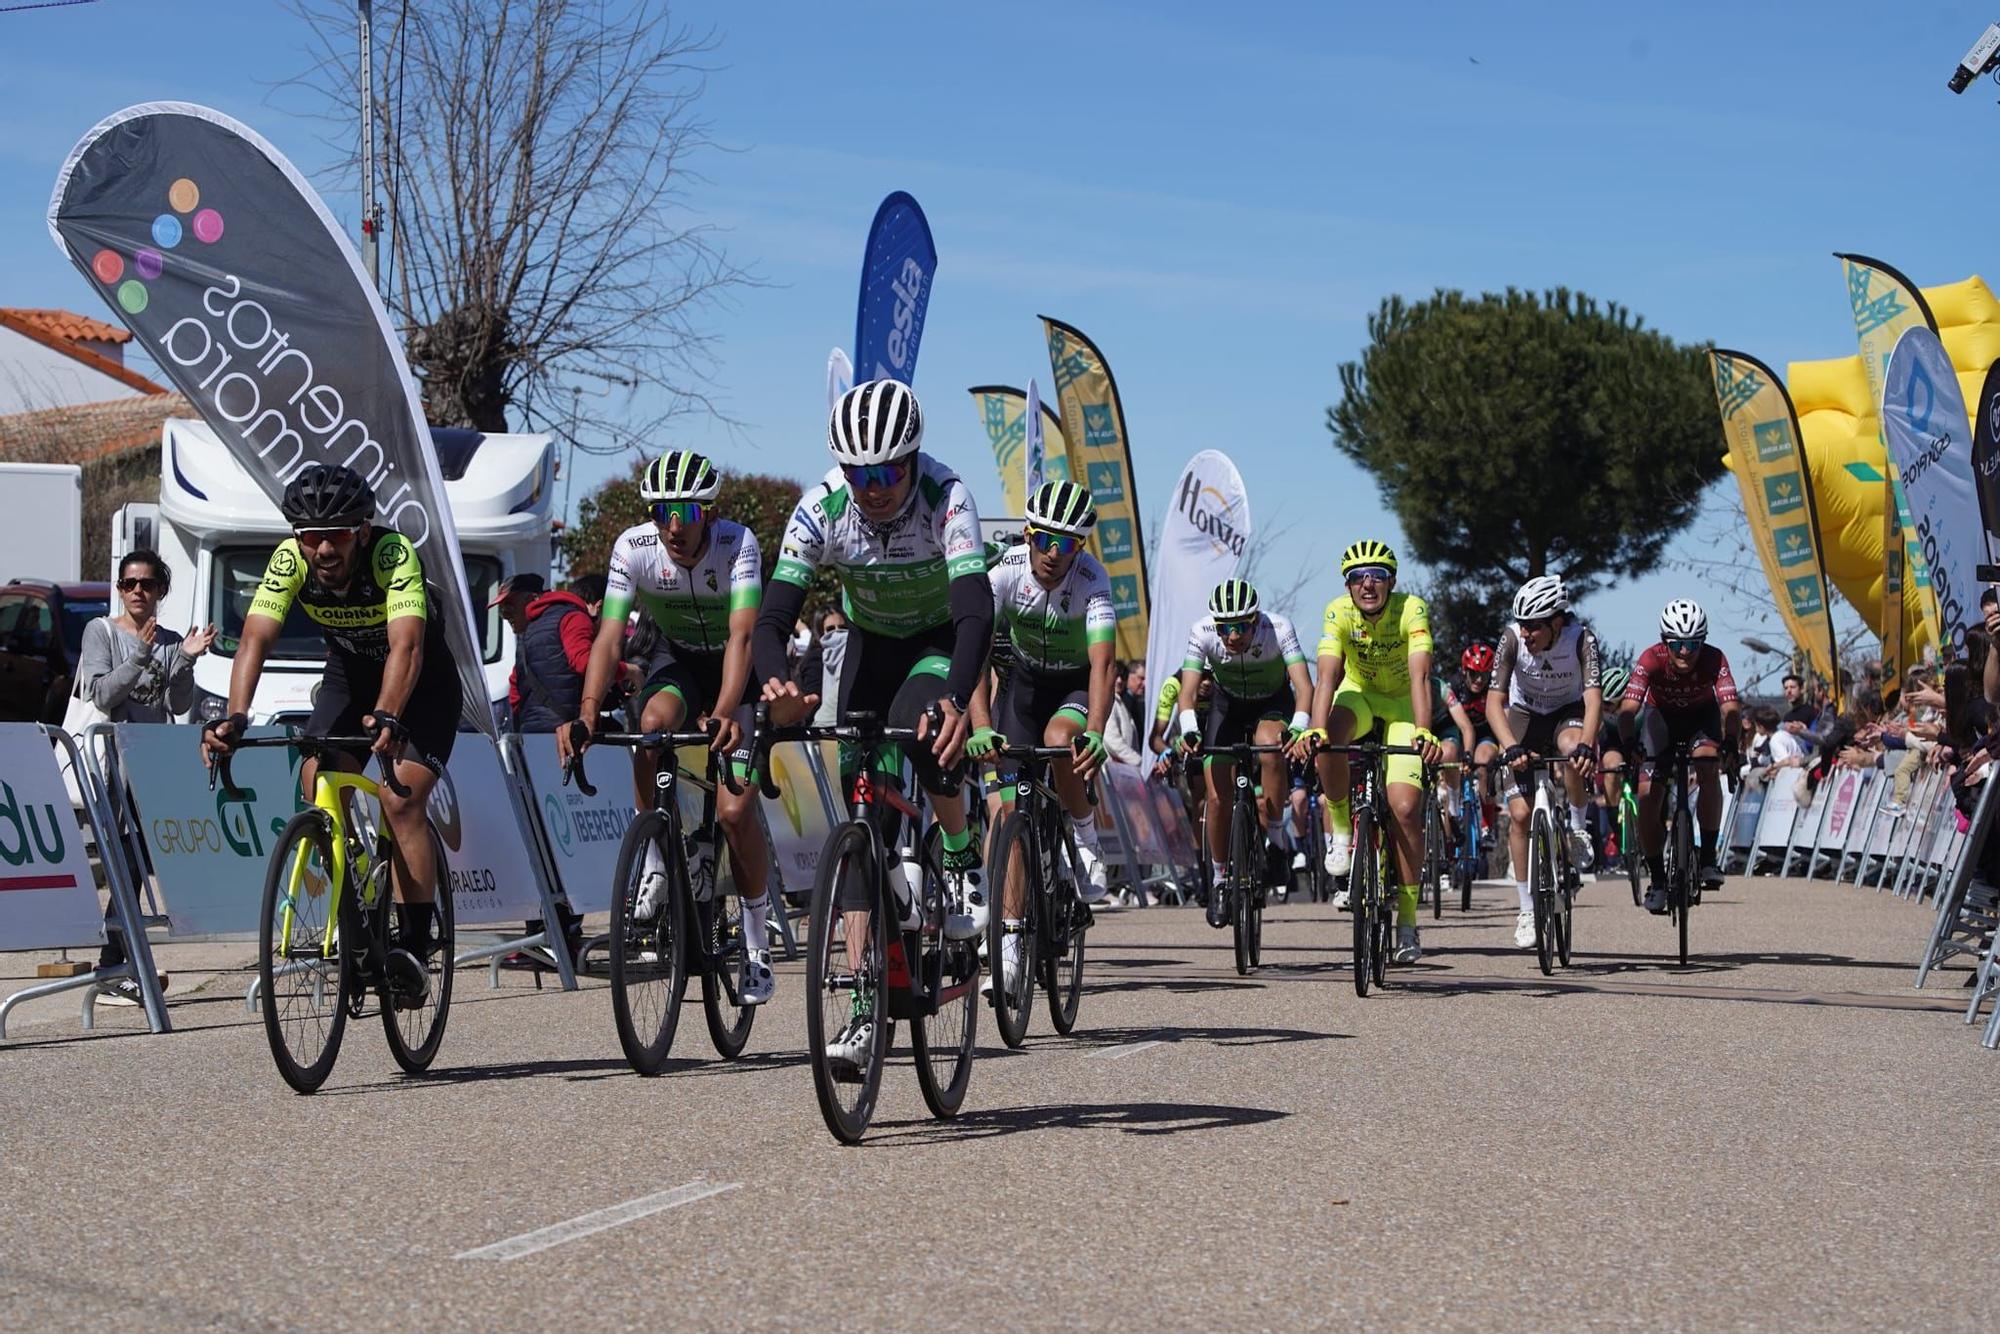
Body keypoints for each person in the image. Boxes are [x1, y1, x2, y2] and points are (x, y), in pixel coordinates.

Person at [753, 379, 994, 1071]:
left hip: (937, 642)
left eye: (888, 471)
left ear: (914, 459)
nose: (874, 487)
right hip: (869, 645)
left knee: (922, 728)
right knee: (858, 828)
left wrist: (954, 697)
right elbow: (773, 618)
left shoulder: (949, 498)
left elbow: (976, 610)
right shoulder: (822, 507)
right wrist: (775, 684)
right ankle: (865, 1007)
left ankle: (957, 845)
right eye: (860, 473)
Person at [201, 463, 462, 1007]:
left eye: (336, 535)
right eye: (310, 536)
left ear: (362, 530)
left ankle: (413, 947)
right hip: (349, 675)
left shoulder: (392, 555)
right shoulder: (289, 558)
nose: (322, 549)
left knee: (400, 799)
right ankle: (358, 901)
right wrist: (237, 714)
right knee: (315, 776)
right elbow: (254, 637)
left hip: (420, 683)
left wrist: (390, 714)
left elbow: (408, 647)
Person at [558, 449, 775, 1005]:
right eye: (661, 511)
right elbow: (607, 637)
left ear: (710, 510)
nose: (674, 525)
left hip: (735, 669)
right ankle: (655, 859)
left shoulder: (737, 543)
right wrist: (587, 709)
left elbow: (745, 637)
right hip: (678, 663)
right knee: (650, 727)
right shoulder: (634, 547)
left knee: (732, 811)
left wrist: (727, 708)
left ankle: (755, 942)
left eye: (687, 510)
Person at [966, 480, 1118, 993]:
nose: (1054, 554)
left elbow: (1103, 664)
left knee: (1060, 739)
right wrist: (982, 725)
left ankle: (1083, 830)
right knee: (1007, 812)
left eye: (1068, 544)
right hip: (1024, 687)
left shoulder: (1094, 582)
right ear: (1026, 535)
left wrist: (1096, 730)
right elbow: (976, 657)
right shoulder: (1003, 575)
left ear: (1082, 548)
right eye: (1044, 539)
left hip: (1072, 685)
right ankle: (1007, 946)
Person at [1293, 540, 1441, 963]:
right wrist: (1316, 729)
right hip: (1360, 695)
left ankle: (1408, 921)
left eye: (1377, 574)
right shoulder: (1337, 611)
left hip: (1402, 705)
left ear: (1391, 581)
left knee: (1405, 809)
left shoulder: (1411, 608)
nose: (1368, 583)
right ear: (1348, 585)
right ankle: (1341, 829)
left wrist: (1425, 731)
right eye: (1358, 577)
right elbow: (1326, 677)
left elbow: (1421, 675)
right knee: (1330, 736)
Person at [80, 550, 216, 1003]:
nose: (137, 590)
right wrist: (140, 651)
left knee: (136, 869)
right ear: (119, 589)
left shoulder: (172, 640)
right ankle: (112, 966)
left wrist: (187, 659)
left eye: (147, 583)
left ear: (161, 590)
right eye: (129, 583)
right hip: (113, 771)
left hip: (153, 773)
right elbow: (102, 692)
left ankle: (118, 964)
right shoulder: (100, 632)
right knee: (123, 866)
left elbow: (177, 704)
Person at [1178, 578, 1313, 927]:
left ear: (1256, 620)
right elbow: (1188, 691)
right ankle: (1220, 879)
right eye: (1226, 628)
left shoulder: (1279, 627)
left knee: (1271, 749)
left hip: (1271, 702)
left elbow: (1304, 684)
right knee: (1217, 796)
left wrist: (1298, 726)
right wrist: (1189, 729)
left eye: (1242, 626)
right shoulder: (1202, 631)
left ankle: (1276, 840)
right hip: (1228, 706)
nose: (1233, 635)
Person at [1486, 575, 1603, 949]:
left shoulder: (1581, 639)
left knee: (1572, 749)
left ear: (1556, 622)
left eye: (1534, 625)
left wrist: (1586, 744)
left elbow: (1593, 697)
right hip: (1524, 713)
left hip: (1566, 712)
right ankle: (1526, 908)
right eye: (1522, 623)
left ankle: (1578, 826)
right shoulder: (1511, 640)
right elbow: (1494, 703)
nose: (1526, 632)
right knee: (1519, 815)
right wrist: (1508, 747)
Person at [1616, 598, 1739, 914]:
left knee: (1708, 765)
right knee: (1647, 796)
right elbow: (1628, 710)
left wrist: (1732, 743)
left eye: (1693, 644)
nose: (1685, 651)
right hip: (1661, 720)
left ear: (1703, 641)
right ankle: (1657, 880)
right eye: (1678, 644)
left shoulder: (1715, 659)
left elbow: (1729, 708)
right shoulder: (1651, 659)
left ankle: (1709, 858)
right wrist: (1630, 744)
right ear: (1664, 642)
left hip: (1702, 719)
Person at [494, 573, 594, 734]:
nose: (506, 615)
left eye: (510, 605)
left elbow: (584, 662)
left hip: (533, 734)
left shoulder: (534, 631)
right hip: (567, 735)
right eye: (501, 610)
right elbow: (590, 666)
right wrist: (627, 671)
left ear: (533, 599)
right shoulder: (569, 617)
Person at [1105, 660, 1145, 767]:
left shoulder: (1119, 702)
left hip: (1123, 769)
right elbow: (1113, 742)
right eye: (1116, 676)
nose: (1119, 681)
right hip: (1113, 770)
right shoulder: (1108, 701)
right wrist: (1140, 762)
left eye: (1123, 677)